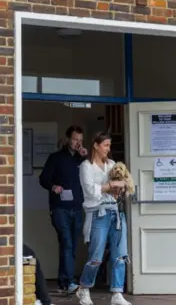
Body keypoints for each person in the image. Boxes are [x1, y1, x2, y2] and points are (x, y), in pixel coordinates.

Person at [76, 132, 131, 305]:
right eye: (106, 145)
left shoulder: (113, 164)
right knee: (96, 257)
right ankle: (84, 289)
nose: (108, 149)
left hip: (116, 213)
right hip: (97, 213)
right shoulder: (86, 166)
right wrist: (112, 185)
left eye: (109, 145)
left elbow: (121, 185)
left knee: (120, 255)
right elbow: (91, 191)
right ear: (96, 146)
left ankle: (117, 294)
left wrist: (117, 188)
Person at [39, 125, 88, 294]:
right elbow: (43, 179)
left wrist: (86, 157)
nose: (77, 143)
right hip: (60, 208)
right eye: (75, 139)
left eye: (80, 140)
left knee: (72, 245)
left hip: (77, 207)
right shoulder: (56, 158)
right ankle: (68, 282)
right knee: (67, 242)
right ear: (68, 139)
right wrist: (53, 187)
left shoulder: (83, 160)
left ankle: (63, 283)